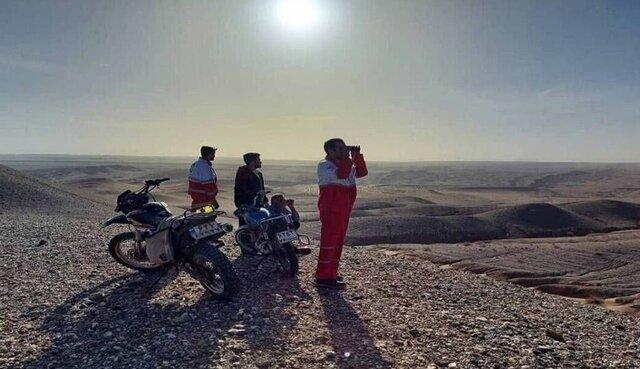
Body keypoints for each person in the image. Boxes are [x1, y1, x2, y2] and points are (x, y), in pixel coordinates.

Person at [315, 138, 368, 289]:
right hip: (332, 208)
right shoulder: (324, 165)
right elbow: (343, 175)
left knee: (338, 241)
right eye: (340, 148)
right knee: (330, 241)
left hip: (344, 207)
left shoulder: (344, 163)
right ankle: (323, 278)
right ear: (330, 151)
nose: (344, 150)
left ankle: (330, 273)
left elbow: (362, 172)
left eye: (344, 147)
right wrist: (348, 158)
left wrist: (356, 156)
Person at [234, 153, 267, 226]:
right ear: (252, 161)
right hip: (247, 205)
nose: (260, 162)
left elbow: (261, 188)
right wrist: (256, 192)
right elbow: (241, 189)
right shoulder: (243, 172)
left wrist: (265, 200)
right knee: (246, 228)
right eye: (258, 160)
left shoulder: (258, 174)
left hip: (258, 205)